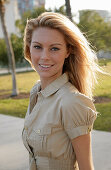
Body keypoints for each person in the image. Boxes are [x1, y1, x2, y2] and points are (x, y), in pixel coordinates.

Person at [22, 12, 98, 170]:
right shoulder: (36, 92)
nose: (44, 57)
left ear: (68, 51)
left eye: (54, 48)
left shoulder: (71, 102)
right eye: (37, 47)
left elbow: (86, 167)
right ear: (29, 49)